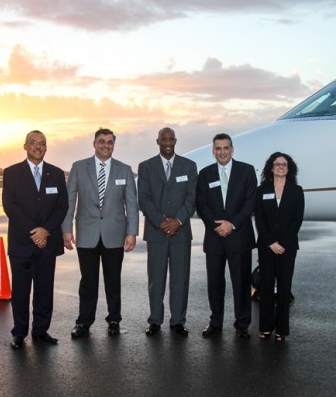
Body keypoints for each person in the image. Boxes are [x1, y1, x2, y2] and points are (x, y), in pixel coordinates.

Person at [62, 128, 139, 338]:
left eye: (110, 142)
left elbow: (132, 204)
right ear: (94, 144)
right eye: (102, 141)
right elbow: (70, 201)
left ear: (114, 145)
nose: (106, 145)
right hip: (87, 233)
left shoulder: (124, 170)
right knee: (88, 281)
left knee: (113, 281)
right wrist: (66, 228)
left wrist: (132, 232)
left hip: (115, 233)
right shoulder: (79, 168)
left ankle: (114, 320)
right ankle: (84, 322)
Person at [2, 130, 69, 349]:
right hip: (22, 243)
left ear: (46, 148)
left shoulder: (56, 174)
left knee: (44, 291)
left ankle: (40, 331)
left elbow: (62, 206)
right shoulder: (11, 173)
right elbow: (10, 206)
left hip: (47, 243)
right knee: (21, 291)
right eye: (33, 142)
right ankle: (19, 332)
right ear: (25, 146)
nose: (38, 147)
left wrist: (46, 230)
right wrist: (35, 232)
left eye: (42, 143)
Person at [137, 127, 198, 336]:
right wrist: (162, 223)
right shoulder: (146, 167)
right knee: (156, 279)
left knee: (180, 279)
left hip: (181, 232)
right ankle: (155, 320)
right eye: (164, 139)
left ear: (175, 141)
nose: (168, 142)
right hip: (156, 232)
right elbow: (144, 199)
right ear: (158, 141)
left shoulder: (189, 166)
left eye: (171, 139)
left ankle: (178, 321)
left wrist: (178, 221)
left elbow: (192, 198)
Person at [195, 133, 257, 339]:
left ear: (232, 149)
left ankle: (242, 325)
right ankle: (216, 322)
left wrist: (232, 224)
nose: (222, 152)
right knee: (214, 283)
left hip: (239, 236)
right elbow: (201, 204)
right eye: (218, 148)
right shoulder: (205, 174)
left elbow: (250, 202)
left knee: (241, 283)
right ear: (213, 151)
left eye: (226, 148)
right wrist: (216, 226)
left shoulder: (246, 171)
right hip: (215, 238)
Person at [254, 152, 304, 342]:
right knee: (266, 287)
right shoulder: (262, 190)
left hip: (287, 247)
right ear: (271, 167)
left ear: (289, 169)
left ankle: (282, 329)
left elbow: (297, 220)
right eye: (277, 164)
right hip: (266, 246)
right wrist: (270, 242)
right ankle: (265, 327)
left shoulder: (296, 191)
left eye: (284, 164)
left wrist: (282, 243)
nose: (280, 167)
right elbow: (259, 219)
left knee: (284, 288)